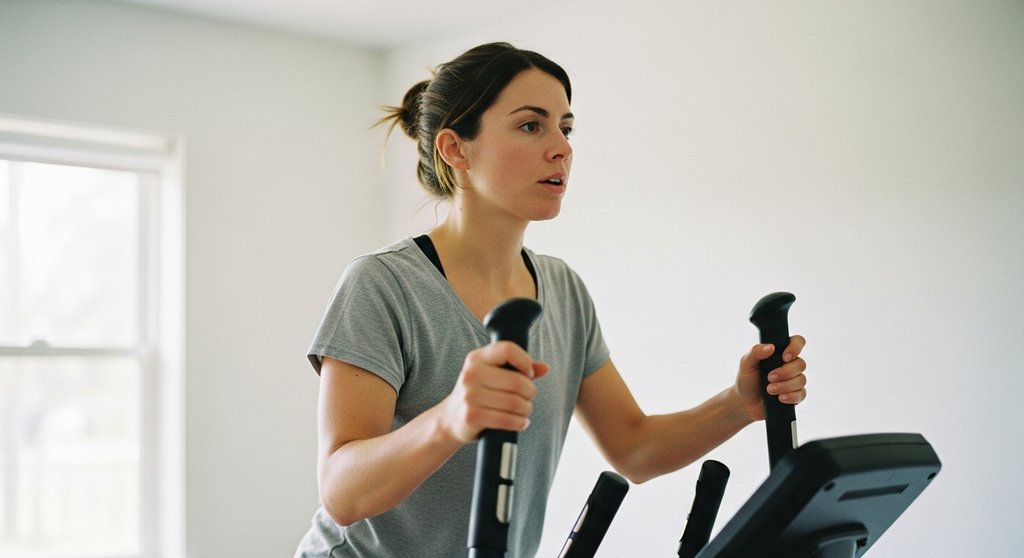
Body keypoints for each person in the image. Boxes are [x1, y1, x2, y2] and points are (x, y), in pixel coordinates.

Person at [293, 42, 808, 558]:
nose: (561, 147)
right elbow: (342, 492)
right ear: (455, 149)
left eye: (566, 127)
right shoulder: (384, 285)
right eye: (530, 125)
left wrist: (738, 405)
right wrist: (452, 418)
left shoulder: (563, 291)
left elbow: (634, 446)